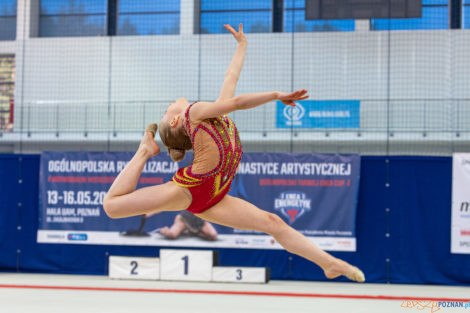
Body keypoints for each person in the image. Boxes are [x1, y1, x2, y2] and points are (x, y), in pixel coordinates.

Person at [103, 24, 365, 282]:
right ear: (174, 121)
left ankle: (329, 263)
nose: (171, 103)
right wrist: (275, 95)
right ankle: (144, 151)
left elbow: (231, 78)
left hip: (213, 196)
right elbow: (238, 101)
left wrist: (242, 45)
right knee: (112, 206)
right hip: (189, 190)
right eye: (167, 108)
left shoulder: (216, 116)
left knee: (273, 222)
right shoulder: (192, 113)